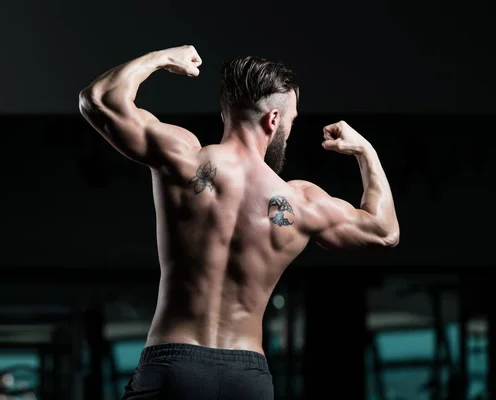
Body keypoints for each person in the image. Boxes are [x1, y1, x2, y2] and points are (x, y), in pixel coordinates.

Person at [79, 45, 399, 400]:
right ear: (273, 120)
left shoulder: (184, 158)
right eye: (291, 121)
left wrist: (162, 59)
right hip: (246, 378)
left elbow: (99, 99)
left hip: (175, 366)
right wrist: (365, 151)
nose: (289, 131)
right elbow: (384, 233)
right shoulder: (301, 202)